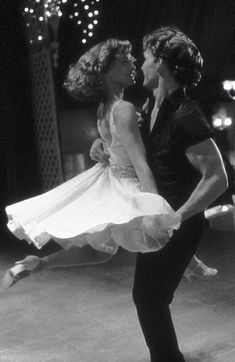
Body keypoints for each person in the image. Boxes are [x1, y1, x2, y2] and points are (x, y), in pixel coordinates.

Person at [90, 27, 228, 362]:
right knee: (149, 299)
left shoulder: (185, 115)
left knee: (149, 299)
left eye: (148, 57)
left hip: (178, 223)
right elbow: (132, 150)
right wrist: (101, 146)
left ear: (163, 64)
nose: (142, 64)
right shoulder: (152, 106)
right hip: (160, 219)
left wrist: (177, 218)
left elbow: (218, 177)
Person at [3, 38, 181, 289]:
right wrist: (154, 208)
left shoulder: (104, 109)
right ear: (106, 72)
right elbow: (140, 163)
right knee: (161, 236)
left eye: (131, 59)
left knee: (101, 252)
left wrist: (100, 143)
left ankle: (39, 263)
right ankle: (192, 265)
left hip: (111, 179)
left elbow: (114, 140)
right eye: (124, 61)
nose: (133, 63)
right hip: (126, 184)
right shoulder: (124, 108)